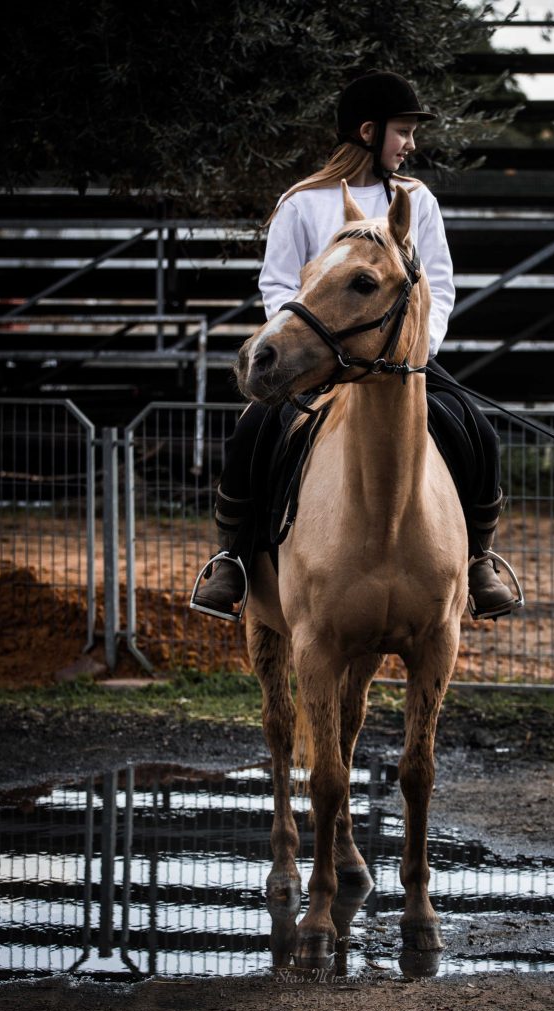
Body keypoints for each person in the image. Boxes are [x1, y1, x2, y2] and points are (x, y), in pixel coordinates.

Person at [191, 69, 520, 623]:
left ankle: (480, 559)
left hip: (400, 359)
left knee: (479, 432)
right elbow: (277, 284)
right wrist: (308, 347)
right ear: (369, 131)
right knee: (252, 430)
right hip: (318, 358)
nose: (411, 144)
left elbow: (438, 284)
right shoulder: (301, 201)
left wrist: (416, 351)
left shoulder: (418, 200)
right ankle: (232, 560)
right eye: (403, 131)